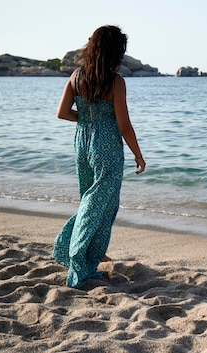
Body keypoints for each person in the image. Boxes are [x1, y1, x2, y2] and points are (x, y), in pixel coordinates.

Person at [52, 25, 146, 288]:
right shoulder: (115, 82)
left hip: (82, 142)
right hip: (106, 145)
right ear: (116, 52)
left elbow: (62, 112)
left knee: (90, 199)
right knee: (102, 204)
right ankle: (77, 258)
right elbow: (124, 125)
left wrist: (86, 119)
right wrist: (138, 154)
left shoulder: (77, 76)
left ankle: (89, 255)